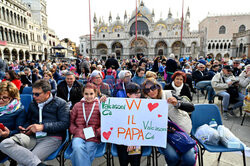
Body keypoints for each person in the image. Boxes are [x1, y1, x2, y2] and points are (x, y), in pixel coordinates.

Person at [0, 79, 70, 166]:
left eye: (37, 94)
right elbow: (29, 120)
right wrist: (25, 128)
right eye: (33, 93)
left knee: (24, 163)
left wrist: (42, 127)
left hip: (51, 137)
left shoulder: (61, 104)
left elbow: (64, 124)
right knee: (4, 144)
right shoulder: (33, 104)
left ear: (47, 93)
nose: (33, 96)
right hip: (32, 136)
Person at [142, 79, 195, 166]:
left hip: (180, 132)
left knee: (190, 160)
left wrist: (177, 103)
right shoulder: (145, 103)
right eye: (147, 90)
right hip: (162, 135)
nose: (151, 91)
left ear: (158, 87)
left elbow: (191, 107)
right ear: (145, 92)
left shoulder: (170, 94)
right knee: (173, 157)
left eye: (153, 87)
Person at [70, 83, 102, 166]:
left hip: (93, 136)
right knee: (77, 148)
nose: (89, 96)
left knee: (85, 151)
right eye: (86, 94)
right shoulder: (77, 105)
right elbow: (71, 122)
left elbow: (105, 123)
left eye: (91, 94)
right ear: (83, 94)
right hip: (79, 134)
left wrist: (97, 132)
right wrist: (76, 131)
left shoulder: (100, 106)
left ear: (95, 93)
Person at [116, 82, 142, 166]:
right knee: (123, 161)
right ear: (128, 94)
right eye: (135, 93)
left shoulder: (144, 105)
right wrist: (102, 102)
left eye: (139, 92)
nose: (138, 95)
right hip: (123, 139)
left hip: (138, 139)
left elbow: (143, 128)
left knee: (135, 161)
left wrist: (133, 141)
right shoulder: (121, 106)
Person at [0, 81, 26, 161]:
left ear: (12, 97)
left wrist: (9, 133)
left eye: (4, 97)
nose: (0, 100)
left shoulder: (19, 110)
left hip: (4, 141)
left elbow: (19, 130)